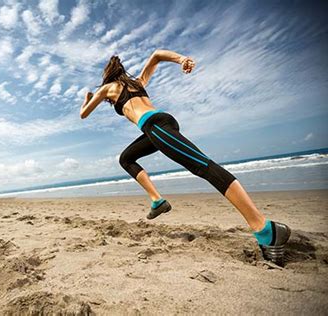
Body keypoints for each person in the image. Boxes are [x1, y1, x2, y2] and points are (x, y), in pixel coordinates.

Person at [79, 49, 291, 263]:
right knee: (126, 158)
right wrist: (182, 60)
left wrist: (86, 99)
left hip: (155, 127)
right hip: (161, 124)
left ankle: (265, 228)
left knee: (204, 167)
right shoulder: (138, 83)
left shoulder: (108, 88)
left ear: (108, 76)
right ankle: (157, 200)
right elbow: (156, 56)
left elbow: (84, 113)